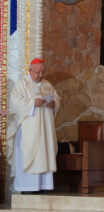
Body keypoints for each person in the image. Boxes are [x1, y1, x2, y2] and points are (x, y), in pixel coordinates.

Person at [6, 58, 61, 194]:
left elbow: (57, 99)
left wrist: (54, 104)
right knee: (29, 155)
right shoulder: (22, 84)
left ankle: (43, 187)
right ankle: (27, 188)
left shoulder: (47, 85)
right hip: (28, 130)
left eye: (43, 72)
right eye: (37, 72)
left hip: (45, 130)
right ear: (30, 70)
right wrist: (32, 104)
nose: (40, 75)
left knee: (44, 153)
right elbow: (15, 104)